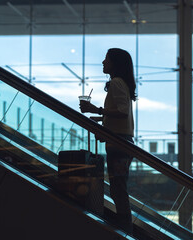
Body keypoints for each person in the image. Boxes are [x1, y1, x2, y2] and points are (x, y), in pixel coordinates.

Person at [79, 48, 136, 234]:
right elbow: (121, 114)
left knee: (118, 189)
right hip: (121, 144)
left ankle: (125, 229)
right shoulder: (121, 83)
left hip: (119, 145)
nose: (103, 62)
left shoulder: (117, 83)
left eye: (106, 59)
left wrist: (96, 109)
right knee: (118, 188)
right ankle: (125, 228)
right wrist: (100, 118)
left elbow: (122, 112)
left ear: (115, 64)